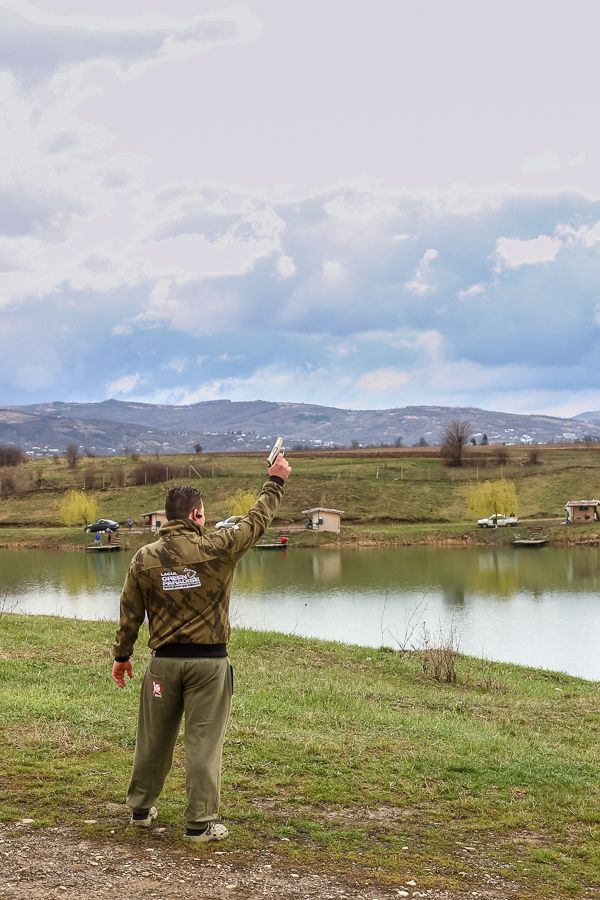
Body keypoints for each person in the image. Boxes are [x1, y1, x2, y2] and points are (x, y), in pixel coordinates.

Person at [111, 453, 291, 843]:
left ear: (167, 517)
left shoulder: (144, 559)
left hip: (162, 667)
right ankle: (199, 823)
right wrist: (275, 481)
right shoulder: (218, 547)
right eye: (203, 514)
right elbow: (256, 522)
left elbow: (130, 613)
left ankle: (140, 810)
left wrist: (122, 656)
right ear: (196, 515)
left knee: (153, 739)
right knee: (203, 744)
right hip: (209, 667)